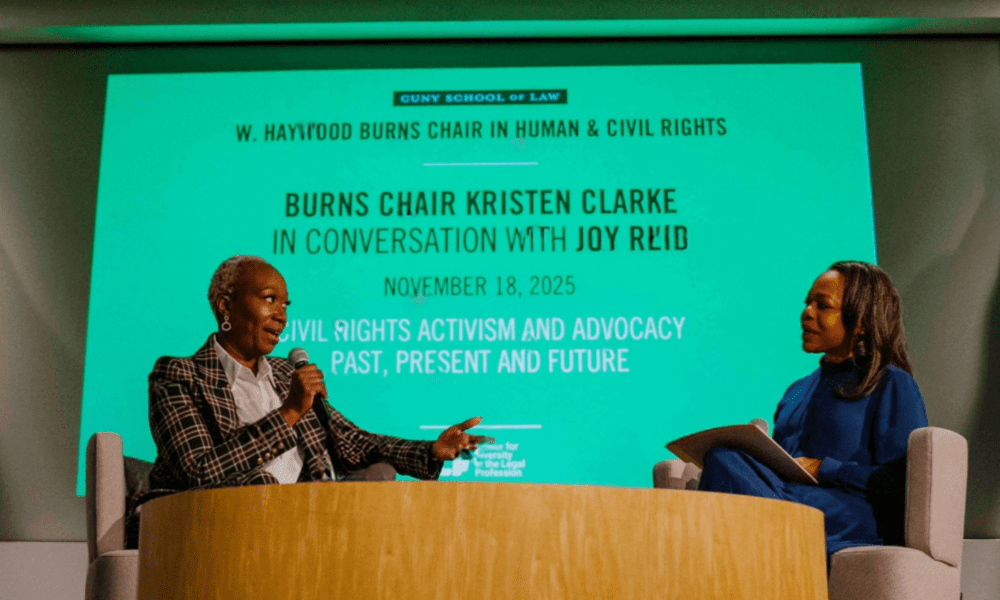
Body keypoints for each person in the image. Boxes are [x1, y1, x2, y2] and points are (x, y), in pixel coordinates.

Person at [128, 255, 489, 544]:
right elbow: (198, 470)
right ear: (226, 306)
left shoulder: (288, 374)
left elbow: (353, 442)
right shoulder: (179, 375)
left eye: (286, 304)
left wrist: (432, 450)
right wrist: (288, 412)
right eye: (269, 300)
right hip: (215, 522)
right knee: (261, 490)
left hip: (301, 522)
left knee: (378, 475)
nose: (282, 315)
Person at [697, 261, 928, 557]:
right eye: (807, 303)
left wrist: (824, 468)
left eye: (823, 306)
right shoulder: (796, 391)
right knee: (725, 459)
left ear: (860, 322)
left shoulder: (890, 383)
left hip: (848, 514)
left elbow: (902, 479)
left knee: (724, 462)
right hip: (789, 498)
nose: (807, 313)